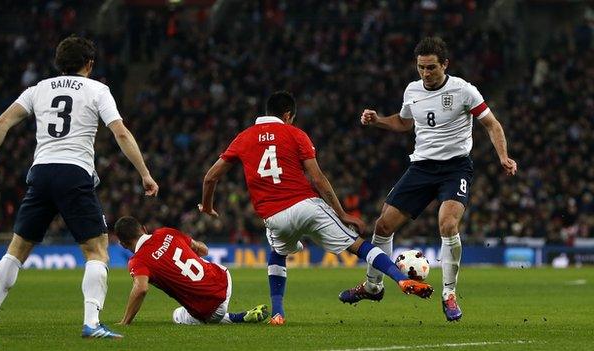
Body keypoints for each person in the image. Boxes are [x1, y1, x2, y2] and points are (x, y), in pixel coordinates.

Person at [0, 36, 159, 339]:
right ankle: (91, 323)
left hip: (41, 172)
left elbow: (3, 121)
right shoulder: (98, 90)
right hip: (74, 174)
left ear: (58, 63)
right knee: (97, 251)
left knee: (16, 250)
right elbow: (121, 133)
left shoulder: (38, 89)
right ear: (89, 64)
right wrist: (145, 173)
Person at [199, 91, 433, 326]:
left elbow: (210, 177)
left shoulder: (243, 138)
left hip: (273, 217)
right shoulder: (295, 134)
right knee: (359, 246)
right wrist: (342, 214)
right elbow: (318, 178)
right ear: (288, 115)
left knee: (278, 253)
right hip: (306, 206)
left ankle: (278, 312)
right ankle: (401, 279)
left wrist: (208, 207)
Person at [338, 37, 518, 322]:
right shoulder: (412, 90)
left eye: (432, 67)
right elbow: (405, 122)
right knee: (383, 225)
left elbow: (491, 124)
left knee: (447, 224)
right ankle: (373, 286)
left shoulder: (464, 90)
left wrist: (503, 157)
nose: (426, 73)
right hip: (421, 167)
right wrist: (378, 120)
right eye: (421, 67)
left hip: (455, 168)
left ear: (445, 65)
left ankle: (449, 294)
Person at [114, 216, 269, 325]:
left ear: (122, 244)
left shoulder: (137, 261)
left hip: (211, 309)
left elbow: (141, 288)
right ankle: (242, 317)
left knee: (177, 315)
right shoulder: (165, 232)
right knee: (200, 264)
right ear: (143, 228)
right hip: (223, 277)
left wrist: (125, 321)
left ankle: (232, 316)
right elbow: (203, 250)